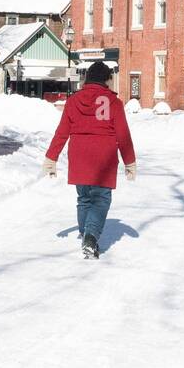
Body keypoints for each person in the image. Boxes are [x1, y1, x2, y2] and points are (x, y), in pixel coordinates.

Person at [42, 60, 136, 259]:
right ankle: (91, 237)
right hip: (104, 157)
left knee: (84, 197)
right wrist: (129, 161)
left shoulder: (73, 101)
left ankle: (85, 233)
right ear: (105, 80)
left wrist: (51, 158)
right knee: (101, 199)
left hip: (79, 156)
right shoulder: (113, 102)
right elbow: (123, 135)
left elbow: (62, 132)